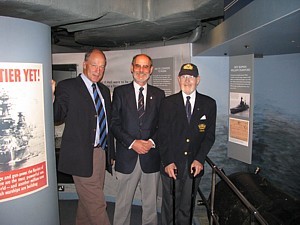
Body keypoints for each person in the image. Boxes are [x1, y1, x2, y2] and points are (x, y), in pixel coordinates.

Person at [52, 48, 114, 225]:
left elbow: (107, 125)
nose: (98, 70)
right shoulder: (68, 87)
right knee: (97, 204)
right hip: (80, 155)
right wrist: (50, 96)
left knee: (88, 201)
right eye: (94, 65)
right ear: (85, 65)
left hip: (100, 154)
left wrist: (111, 154)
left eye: (102, 67)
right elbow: (57, 116)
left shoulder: (103, 90)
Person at [158, 63, 216, 225]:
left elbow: (209, 136)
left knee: (186, 206)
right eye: (184, 77)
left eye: (191, 77)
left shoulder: (209, 104)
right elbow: (162, 136)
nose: (187, 80)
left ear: (198, 80)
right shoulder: (167, 103)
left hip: (193, 165)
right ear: (178, 79)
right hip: (171, 165)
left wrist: (200, 159)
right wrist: (168, 161)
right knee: (170, 206)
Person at [111, 54, 165, 225]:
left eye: (145, 66)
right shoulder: (120, 92)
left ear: (151, 70)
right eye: (138, 66)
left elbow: (163, 125)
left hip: (151, 157)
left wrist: (151, 142)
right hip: (127, 157)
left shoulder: (159, 94)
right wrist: (133, 143)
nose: (141, 70)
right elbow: (114, 123)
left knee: (150, 205)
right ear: (131, 68)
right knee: (122, 204)